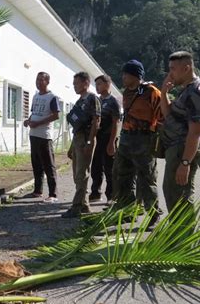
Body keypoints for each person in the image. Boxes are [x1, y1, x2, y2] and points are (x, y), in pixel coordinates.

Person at [112, 59, 162, 226]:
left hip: (144, 140)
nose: (123, 77)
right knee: (123, 176)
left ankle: (153, 215)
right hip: (126, 139)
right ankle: (128, 211)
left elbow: (162, 117)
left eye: (126, 74)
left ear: (135, 75)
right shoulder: (126, 92)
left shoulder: (151, 92)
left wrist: (157, 139)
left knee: (147, 179)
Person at [160, 51, 200, 212]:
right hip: (176, 149)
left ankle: (185, 235)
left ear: (186, 68)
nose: (170, 73)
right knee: (172, 193)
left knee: (181, 197)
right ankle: (178, 234)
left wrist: (185, 163)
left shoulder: (197, 92)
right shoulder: (186, 91)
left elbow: (196, 132)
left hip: (183, 151)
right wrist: (163, 93)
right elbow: (168, 115)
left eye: (173, 69)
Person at [62, 72, 101, 218]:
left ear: (85, 83)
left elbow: (96, 121)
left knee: (81, 174)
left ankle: (76, 206)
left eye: (76, 83)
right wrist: (72, 146)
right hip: (78, 138)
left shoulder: (92, 98)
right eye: (73, 84)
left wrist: (90, 142)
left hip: (86, 138)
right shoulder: (79, 101)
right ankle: (84, 205)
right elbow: (76, 126)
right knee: (76, 175)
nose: (74, 86)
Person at [23, 72, 60, 203]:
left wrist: (38, 123)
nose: (38, 82)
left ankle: (53, 194)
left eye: (41, 80)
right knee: (36, 163)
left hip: (45, 136)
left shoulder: (52, 97)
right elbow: (34, 112)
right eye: (37, 79)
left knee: (48, 165)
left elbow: (56, 115)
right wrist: (28, 121)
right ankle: (38, 190)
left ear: (47, 82)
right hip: (33, 135)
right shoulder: (35, 96)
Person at [89, 74, 121, 204]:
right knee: (96, 167)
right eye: (96, 84)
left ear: (107, 84)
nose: (97, 87)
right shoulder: (97, 101)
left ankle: (111, 196)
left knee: (110, 169)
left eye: (100, 84)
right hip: (97, 139)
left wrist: (112, 142)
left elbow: (116, 123)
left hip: (108, 138)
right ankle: (95, 192)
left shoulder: (113, 101)